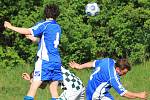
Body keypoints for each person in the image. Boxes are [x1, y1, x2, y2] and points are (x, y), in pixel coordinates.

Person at [4, 4, 63, 100]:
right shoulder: (57, 27)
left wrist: (10, 27)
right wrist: (34, 38)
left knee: (33, 88)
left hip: (45, 61)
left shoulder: (44, 24)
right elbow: (46, 41)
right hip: (56, 61)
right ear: (57, 15)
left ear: (45, 13)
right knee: (54, 91)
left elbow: (27, 30)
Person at [69, 58, 147, 100]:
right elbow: (124, 93)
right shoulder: (113, 77)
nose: (124, 75)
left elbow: (93, 63)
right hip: (96, 95)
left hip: (91, 88)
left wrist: (79, 66)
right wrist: (139, 95)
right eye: (124, 73)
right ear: (117, 69)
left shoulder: (108, 61)